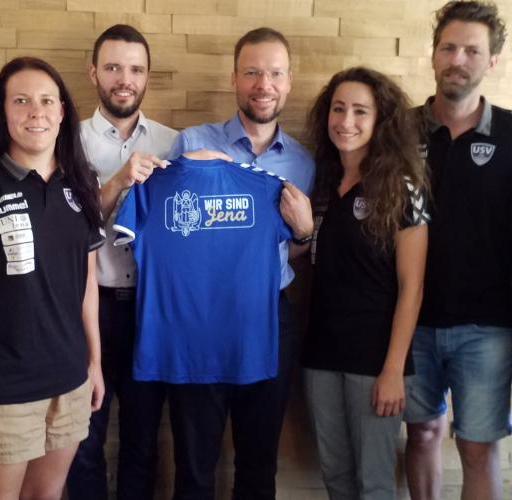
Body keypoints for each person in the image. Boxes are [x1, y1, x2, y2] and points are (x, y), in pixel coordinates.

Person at [0, 56, 105, 500]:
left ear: (63, 112)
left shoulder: (82, 184)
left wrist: (94, 363)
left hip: (68, 384)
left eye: (48, 101)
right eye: (22, 100)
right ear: (3, 110)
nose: (36, 111)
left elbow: (86, 287)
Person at [401, 2, 512, 499]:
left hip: (486, 325)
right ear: (434, 54)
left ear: (492, 61)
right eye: (448, 47)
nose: (457, 59)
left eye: (472, 50)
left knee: (478, 446)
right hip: (411, 322)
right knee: (420, 434)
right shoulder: (401, 129)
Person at [165, 27, 315, 500]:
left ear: (289, 82)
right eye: (252, 72)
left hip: (268, 314)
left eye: (273, 73)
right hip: (198, 321)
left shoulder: (304, 163)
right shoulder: (192, 143)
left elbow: (296, 243)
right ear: (234, 79)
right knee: (194, 462)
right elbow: (171, 230)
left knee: (258, 463)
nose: (262, 84)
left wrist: (305, 233)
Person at [302, 66, 429, 500]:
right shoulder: (320, 182)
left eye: (360, 111)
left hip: (375, 360)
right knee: (336, 478)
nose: (347, 121)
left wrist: (393, 370)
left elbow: (413, 286)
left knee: (374, 484)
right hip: (320, 354)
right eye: (339, 109)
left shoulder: (401, 186)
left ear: (381, 121)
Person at [67, 24, 178, 500]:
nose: (124, 79)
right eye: (113, 67)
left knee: (143, 437)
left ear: (148, 76)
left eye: (135, 69)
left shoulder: (175, 143)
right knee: (84, 439)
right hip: (87, 309)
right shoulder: (65, 140)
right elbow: (65, 227)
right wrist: (116, 181)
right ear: (94, 73)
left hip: (153, 311)